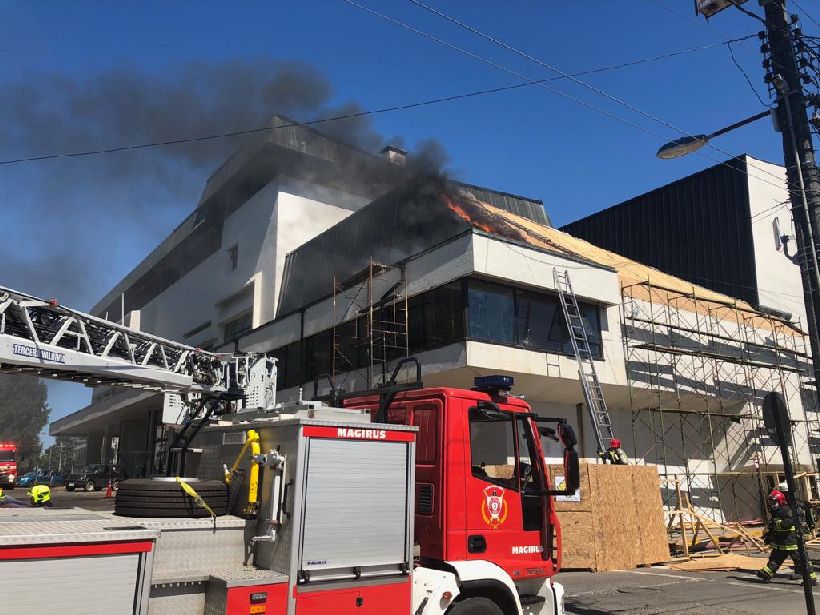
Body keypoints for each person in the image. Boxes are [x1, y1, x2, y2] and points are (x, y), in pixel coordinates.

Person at [757, 490, 817, 585]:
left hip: (793, 542)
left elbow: (788, 523)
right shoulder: (778, 511)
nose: (772, 504)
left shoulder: (786, 510)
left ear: (779, 500)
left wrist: (776, 524)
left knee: (801, 561)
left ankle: (811, 578)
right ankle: (767, 573)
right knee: (775, 559)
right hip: (782, 542)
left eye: (773, 501)